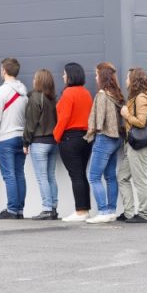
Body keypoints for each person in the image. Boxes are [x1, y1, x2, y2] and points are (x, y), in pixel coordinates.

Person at [84, 62, 125, 224]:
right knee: (110, 177)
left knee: (93, 176)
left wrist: (92, 132)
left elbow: (99, 120)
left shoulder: (102, 94)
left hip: (104, 138)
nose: (95, 77)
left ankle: (102, 211)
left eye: (96, 74)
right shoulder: (116, 95)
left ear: (102, 76)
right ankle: (111, 210)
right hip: (116, 140)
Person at [0, 58, 28, 219]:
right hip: (21, 137)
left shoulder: (1, 91)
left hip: (6, 138)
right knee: (19, 174)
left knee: (9, 175)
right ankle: (19, 210)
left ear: (4, 70)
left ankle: (11, 209)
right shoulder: (23, 90)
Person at [54, 62, 93, 222]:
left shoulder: (68, 93)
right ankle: (85, 209)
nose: (63, 76)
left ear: (70, 76)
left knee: (76, 176)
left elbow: (64, 118)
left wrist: (56, 136)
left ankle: (80, 211)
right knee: (81, 174)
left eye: (64, 74)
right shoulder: (86, 93)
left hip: (70, 138)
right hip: (86, 138)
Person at [22, 69, 59, 220]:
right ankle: (54, 208)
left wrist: (25, 142)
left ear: (39, 81)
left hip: (39, 142)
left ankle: (46, 208)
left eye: (35, 78)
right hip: (53, 142)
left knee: (42, 177)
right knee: (50, 176)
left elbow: (31, 123)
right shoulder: (53, 99)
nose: (33, 80)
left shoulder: (35, 98)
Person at [118, 68, 147, 223]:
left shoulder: (141, 98)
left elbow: (141, 122)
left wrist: (126, 115)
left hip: (140, 144)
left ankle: (144, 213)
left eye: (127, 77)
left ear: (134, 80)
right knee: (122, 177)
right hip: (131, 144)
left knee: (140, 179)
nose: (125, 79)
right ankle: (129, 212)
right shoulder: (134, 98)